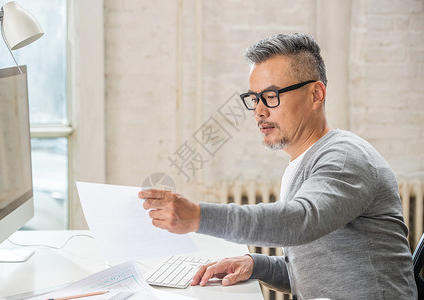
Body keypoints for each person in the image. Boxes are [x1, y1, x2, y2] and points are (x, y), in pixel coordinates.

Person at [138, 33, 418, 299]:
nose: (259, 110)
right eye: (254, 98)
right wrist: (256, 265)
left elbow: (301, 220)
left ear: (316, 94)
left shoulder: (345, 158)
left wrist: (197, 216)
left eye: (272, 96)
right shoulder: (304, 162)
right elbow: (315, 269)